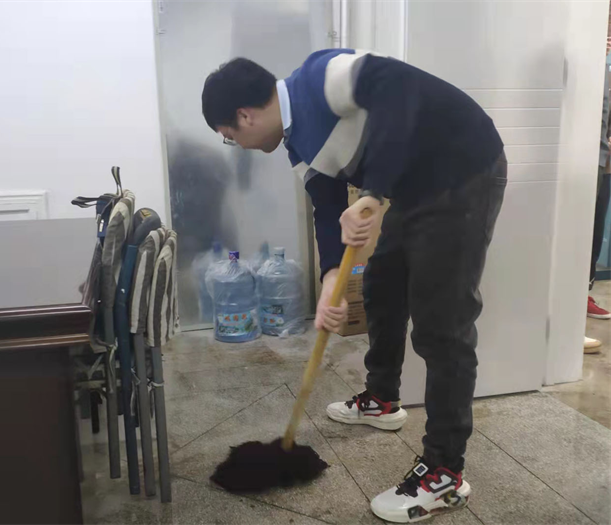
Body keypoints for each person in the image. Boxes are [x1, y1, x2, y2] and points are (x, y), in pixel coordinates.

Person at [202, 49, 505, 523]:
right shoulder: (298, 147)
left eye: (229, 136)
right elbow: (326, 209)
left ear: (244, 115)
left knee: (441, 325)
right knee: (381, 285)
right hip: (413, 189)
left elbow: (398, 88)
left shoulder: (322, 77)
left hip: (464, 169)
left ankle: (445, 473)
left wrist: (372, 193)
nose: (236, 144)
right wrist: (330, 283)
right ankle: (382, 399)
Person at [587, 52, 611, 324]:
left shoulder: (605, 70)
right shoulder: (586, 65)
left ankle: (582, 294)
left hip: (603, 163)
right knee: (579, 231)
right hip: (586, 161)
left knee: (593, 231)